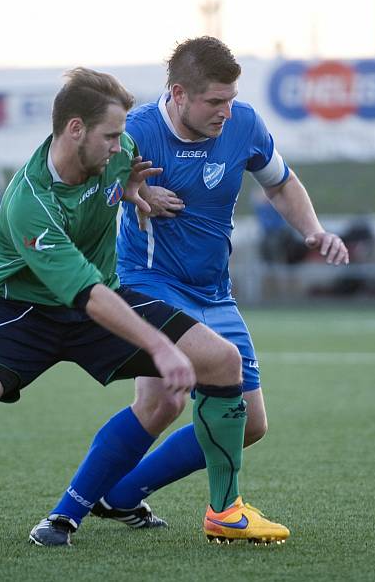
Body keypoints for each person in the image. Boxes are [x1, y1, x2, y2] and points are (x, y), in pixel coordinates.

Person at [0, 67, 287, 562]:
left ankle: (224, 511)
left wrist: (133, 191)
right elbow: (85, 293)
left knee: (222, 361)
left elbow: (122, 179)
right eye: (110, 134)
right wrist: (160, 346)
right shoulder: (28, 202)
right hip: (24, 308)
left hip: (97, 297)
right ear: (75, 130)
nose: (121, 144)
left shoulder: (116, 152)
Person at [67, 37, 348, 532]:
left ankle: (122, 494)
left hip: (215, 291)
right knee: (160, 402)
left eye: (231, 98)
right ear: (178, 94)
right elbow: (90, 191)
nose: (226, 110)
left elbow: (280, 183)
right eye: (215, 101)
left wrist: (313, 231)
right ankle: (70, 512)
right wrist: (132, 191)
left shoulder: (245, 125)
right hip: (150, 282)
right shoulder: (137, 133)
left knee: (251, 424)